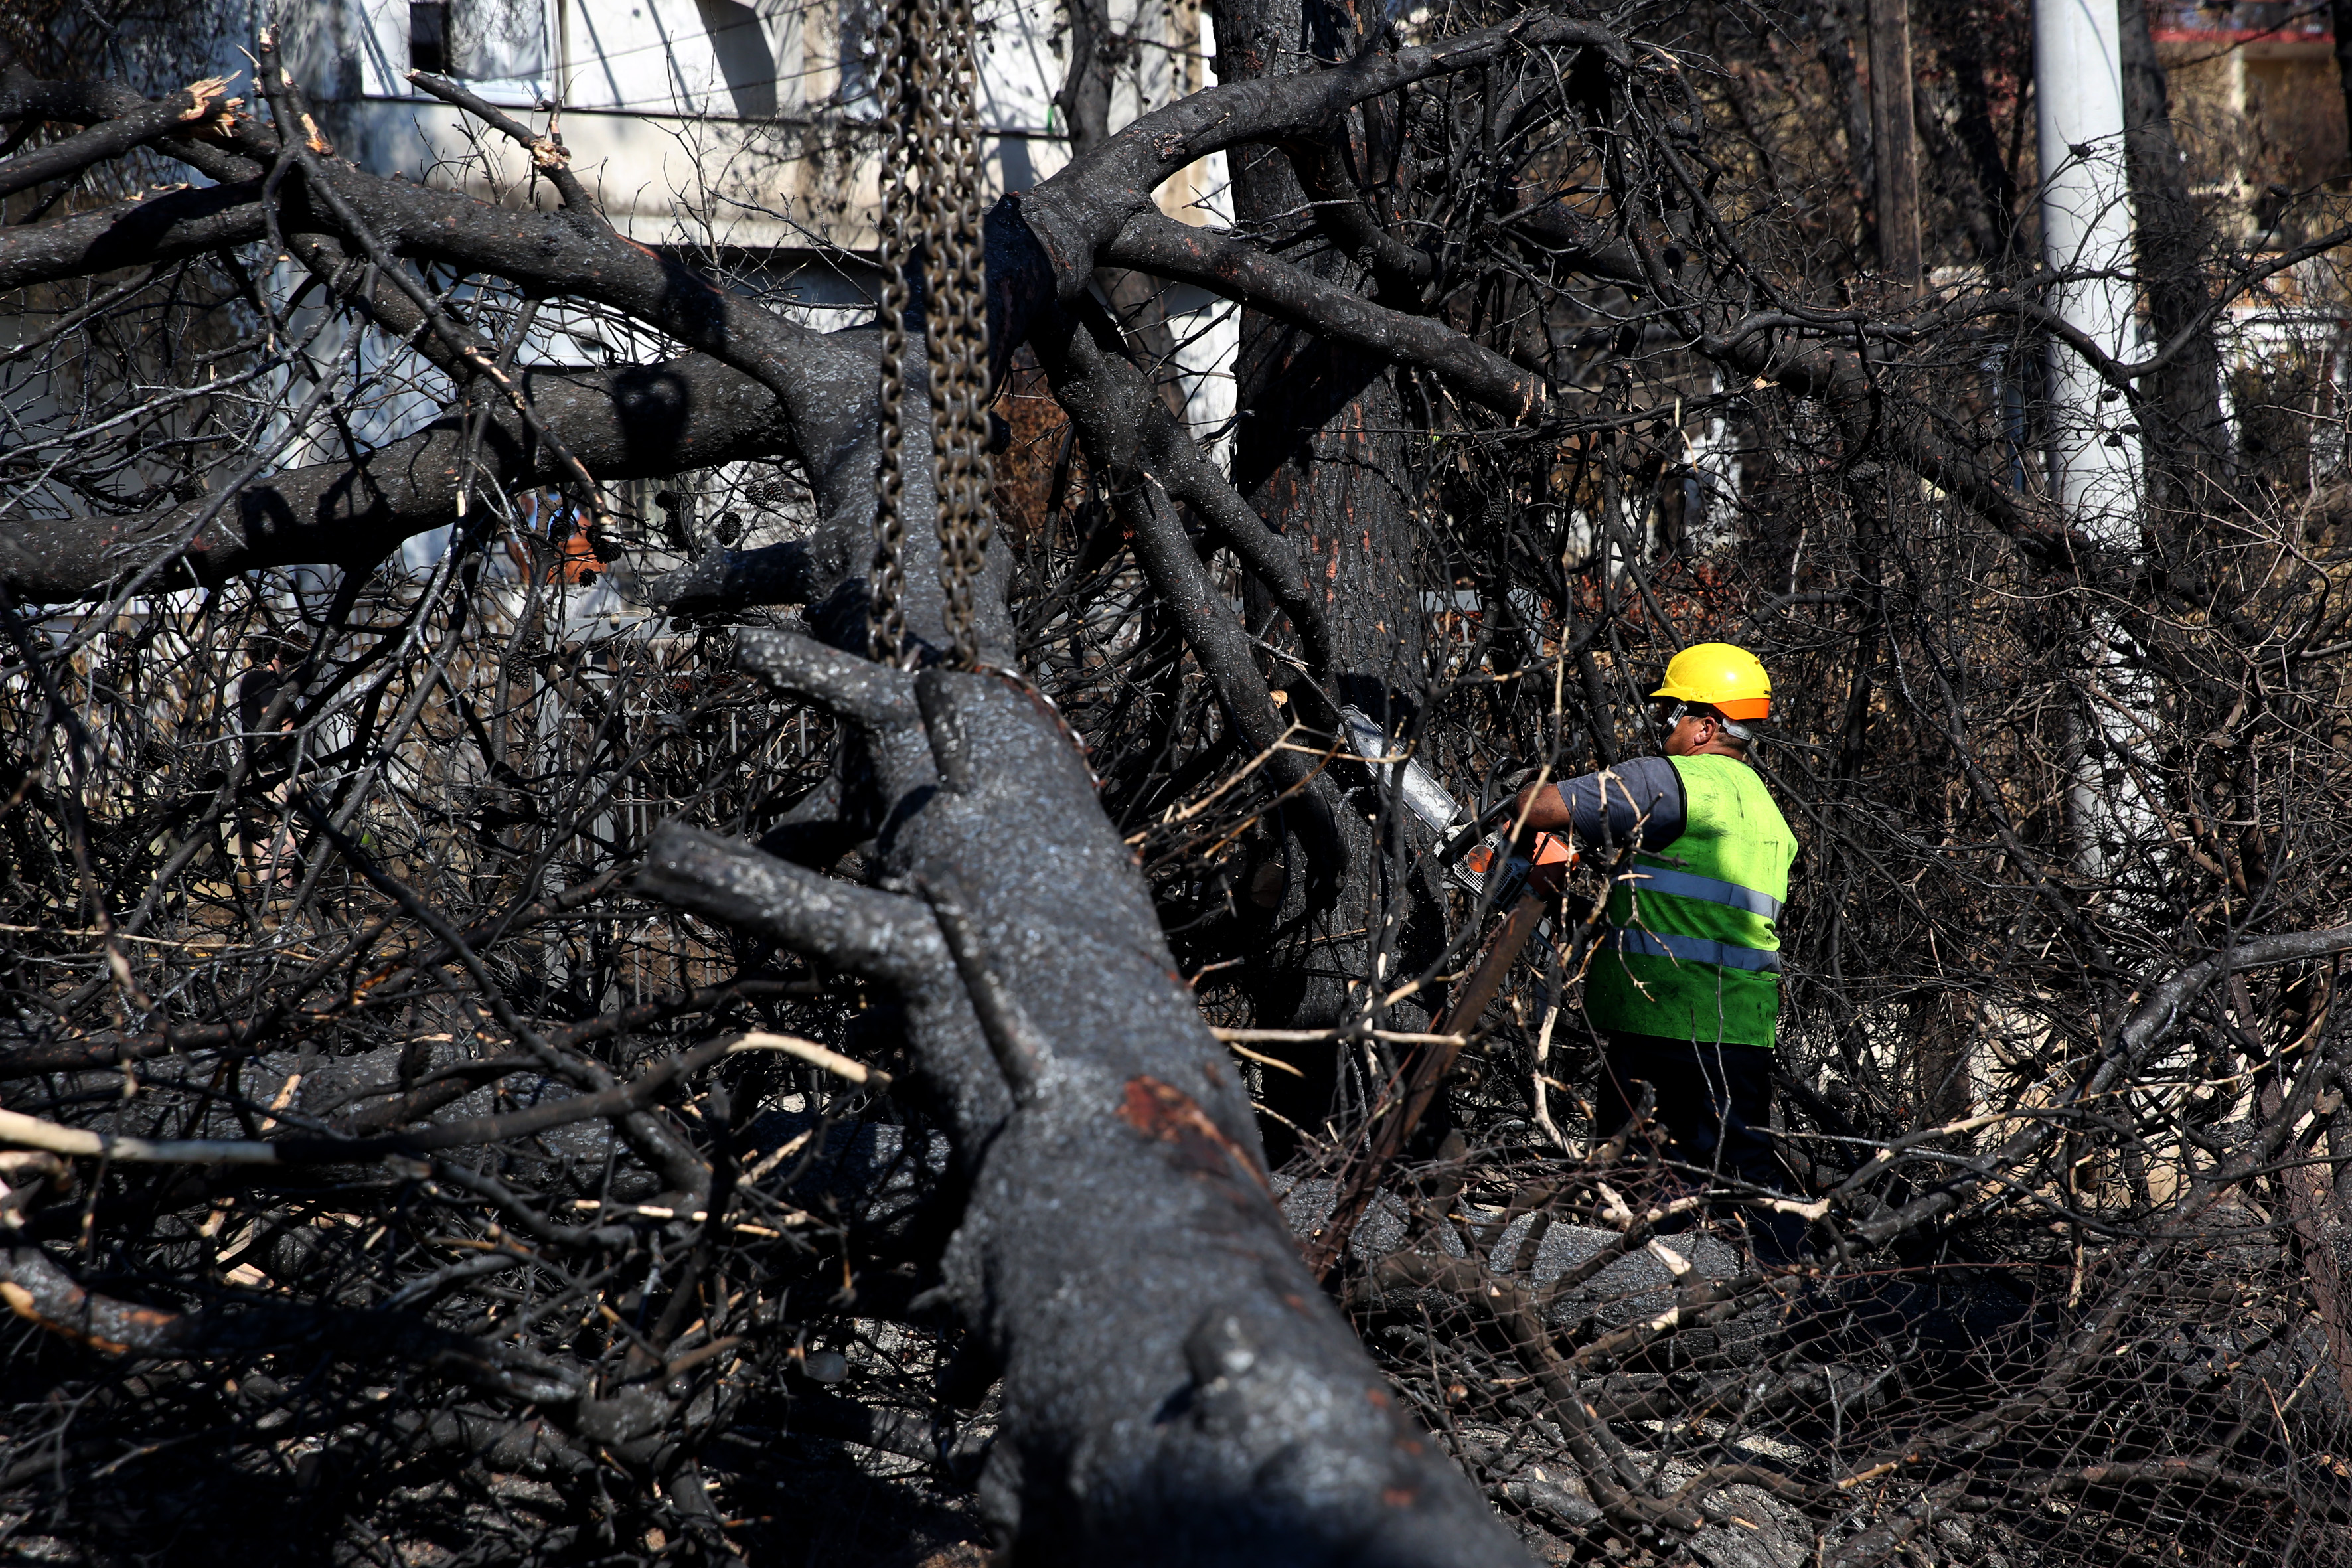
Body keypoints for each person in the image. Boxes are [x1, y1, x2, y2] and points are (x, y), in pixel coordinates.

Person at [1509, 642, 1805, 1262]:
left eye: (1669, 714)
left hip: (1660, 1019)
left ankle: (1772, 1300)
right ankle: (1773, 1296)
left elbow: (1537, 809)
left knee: (1635, 1182)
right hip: (1740, 1027)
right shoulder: (1764, 810)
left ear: (1705, 725)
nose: (1662, 728)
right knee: (1733, 1178)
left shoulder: (1670, 780)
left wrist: (1537, 811)